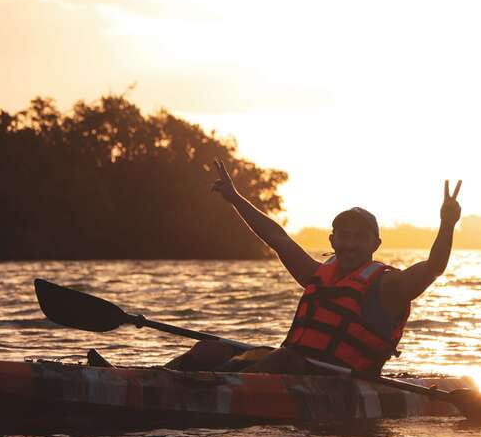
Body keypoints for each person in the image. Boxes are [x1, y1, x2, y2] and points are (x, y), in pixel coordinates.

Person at [165, 157, 461, 375]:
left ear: (376, 244)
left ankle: (213, 386)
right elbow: (277, 237)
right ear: (333, 240)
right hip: (288, 367)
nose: (350, 244)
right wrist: (235, 199)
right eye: (344, 236)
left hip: (339, 380)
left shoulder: (388, 286)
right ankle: (156, 379)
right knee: (211, 348)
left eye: (360, 237)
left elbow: (433, 267)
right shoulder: (317, 274)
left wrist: (447, 223)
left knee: (285, 359)